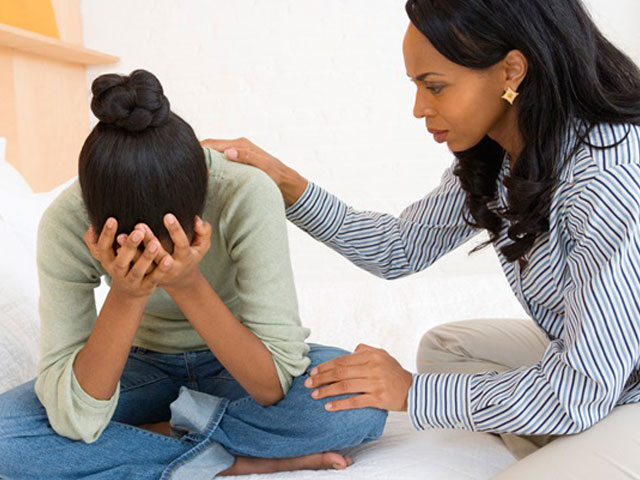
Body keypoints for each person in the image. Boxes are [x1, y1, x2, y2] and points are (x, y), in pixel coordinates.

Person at [201, 0, 640, 477]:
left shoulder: (608, 176)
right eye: (416, 85)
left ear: (511, 70)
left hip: (609, 385)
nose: (419, 108)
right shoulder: (504, 150)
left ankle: (581, 438)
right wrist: (285, 183)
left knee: (541, 413)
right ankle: (568, 434)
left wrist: (412, 392)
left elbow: (582, 387)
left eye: (435, 86)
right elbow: (398, 247)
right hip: (603, 367)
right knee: (448, 350)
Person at [0, 69, 387, 480]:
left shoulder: (243, 191)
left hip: (239, 360)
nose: (153, 250)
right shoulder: (68, 221)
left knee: (360, 405)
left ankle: (159, 440)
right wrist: (128, 294)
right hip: (140, 367)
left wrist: (186, 283)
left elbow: (271, 386)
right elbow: (76, 416)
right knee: (7, 435)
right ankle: (230, 460)